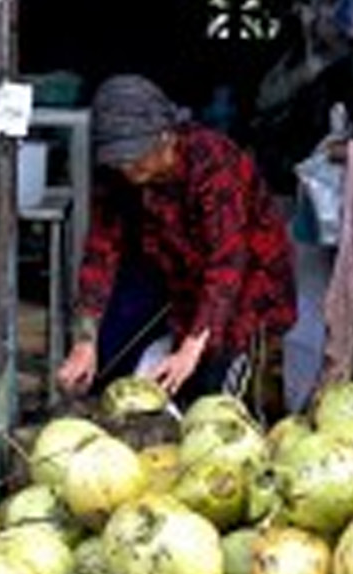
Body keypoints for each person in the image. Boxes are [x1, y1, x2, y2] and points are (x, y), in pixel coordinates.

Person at [56, 75, 297, 407]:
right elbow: (101, 253)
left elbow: (227, 262)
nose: (127, 168)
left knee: (221, 392)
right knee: (146, 375)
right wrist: (85, 341)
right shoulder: (119, 176)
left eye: (135, 156)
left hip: (247, 284)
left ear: (166, 137)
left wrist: (192, 347)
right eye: (119, 160)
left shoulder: (213, 163)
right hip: (182, 277)